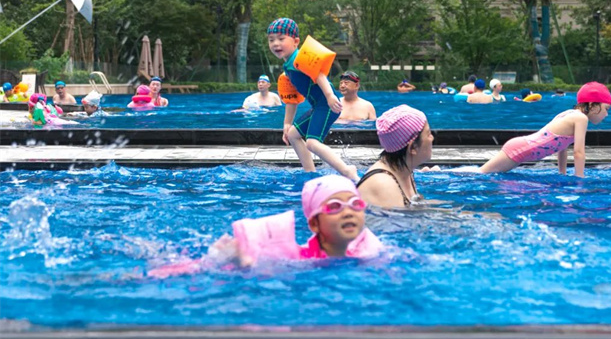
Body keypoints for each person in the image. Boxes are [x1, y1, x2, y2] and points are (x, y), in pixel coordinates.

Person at [148, 175, 383, 277]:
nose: (348, 212)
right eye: (334, 207)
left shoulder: (369, 252)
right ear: (314, 223)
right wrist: (221, 259)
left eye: (355, 204)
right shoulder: (295, 260)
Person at [267, 18, 357, 181]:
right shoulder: (288, 67)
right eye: (271, 40)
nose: (275, 43)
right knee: (293, 134)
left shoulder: (298, 59)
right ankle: (310, 173)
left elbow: (319, 75)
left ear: (296, 41)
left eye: (281, 38)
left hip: (327, 105)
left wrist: (329, 96)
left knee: (312, 143)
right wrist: (287, 123)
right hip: (319, 106)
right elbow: (291, 99)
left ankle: (347, 170)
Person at [480, 82, 611, 178]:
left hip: (520, 148)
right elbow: (579, 153)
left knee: (485, 173)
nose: (606, 114)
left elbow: (563, 148)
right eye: (606, 109)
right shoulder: (581, 118)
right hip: (519, 150)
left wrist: (562, 174)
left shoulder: (569, 114)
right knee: (478, 174)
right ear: (592, 105)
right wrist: (580, 179)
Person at [357, 105, 434, 208]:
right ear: (413, 147)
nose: (432, 138)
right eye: (428, 134)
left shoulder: (404, 170)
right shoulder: (384, 186)